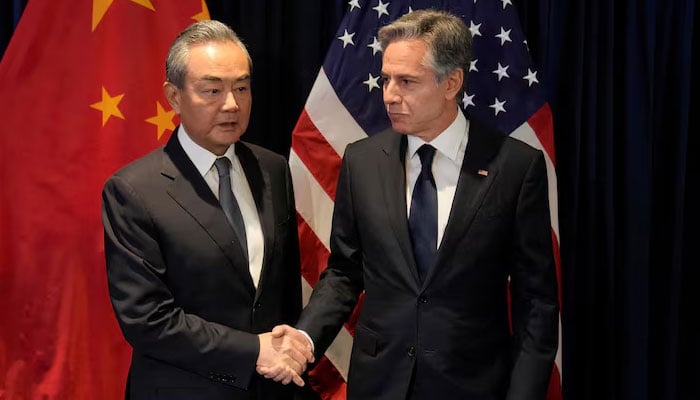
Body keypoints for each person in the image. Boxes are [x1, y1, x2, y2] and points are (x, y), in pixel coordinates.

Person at [282, 9, 559, 400]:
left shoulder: (514, 167)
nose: (390, 95)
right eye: (386, 79)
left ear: (452, 83)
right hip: (380, 383)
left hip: (473, 385)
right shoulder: (361, 161)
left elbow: (537, 303)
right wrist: (305, 338)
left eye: (407, 82)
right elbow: (345, 272)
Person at [101, 20, 314, 400]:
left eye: (242, 88)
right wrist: (255, 350)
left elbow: (280, 293)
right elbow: (147, 319)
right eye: (212, 90)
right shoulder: (133, 190)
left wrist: (285, 350)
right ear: (174, 96)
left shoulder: (273, 168)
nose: (231, 104)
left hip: (273, 390)